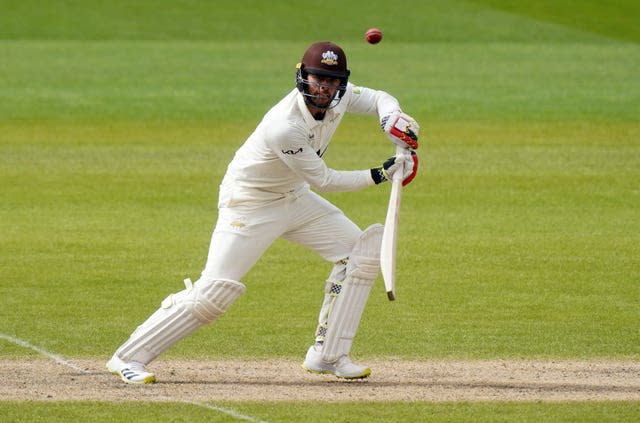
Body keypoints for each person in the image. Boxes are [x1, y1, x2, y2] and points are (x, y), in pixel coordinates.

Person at [107, 41, 420, 384]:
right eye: (318, 79)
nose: (324, 88)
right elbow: (325, 180)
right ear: (302, 76)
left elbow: (378, 97)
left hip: (293, 197)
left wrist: (392, 117)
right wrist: (381, 173)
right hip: (250, 203)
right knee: (215, 291)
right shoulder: (283, 125)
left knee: (357, 253)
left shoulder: (339, 96)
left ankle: (327, 355)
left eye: (332, 81)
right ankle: (128, 357)